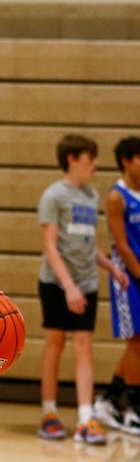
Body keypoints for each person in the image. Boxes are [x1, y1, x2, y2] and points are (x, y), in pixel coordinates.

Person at [36, 134, 128, 444]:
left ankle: (86, 418)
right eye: (91, 159)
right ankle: (49, 413)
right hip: (57, 283)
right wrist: (68, 286)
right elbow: (50, 247)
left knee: (84, 347)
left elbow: (88, 246)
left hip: (86, 283)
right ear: (73, 160)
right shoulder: (53, 196)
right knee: (55, 345)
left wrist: (111, 267)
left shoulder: (90, 197)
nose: (96, 165)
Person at [92, 136, 140, 435]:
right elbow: (121, 245)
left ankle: (110, 400)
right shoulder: (116, 197)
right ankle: (134, 409)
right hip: (127, 277)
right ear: (126, 161)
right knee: (135, 341)